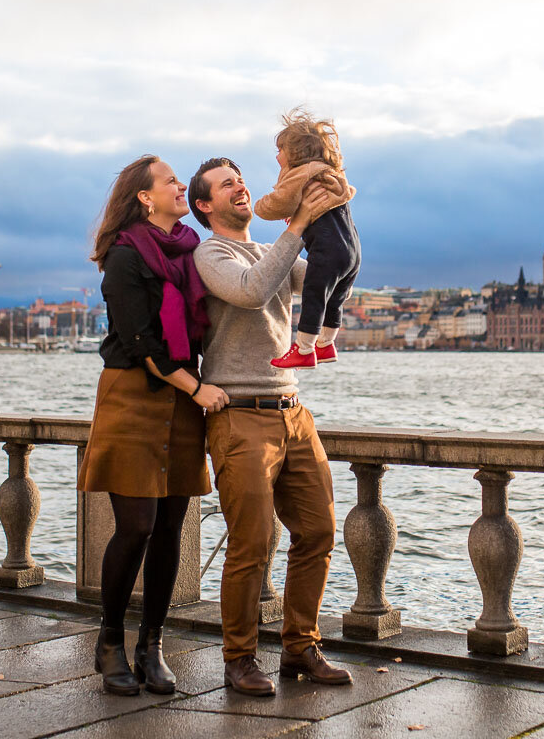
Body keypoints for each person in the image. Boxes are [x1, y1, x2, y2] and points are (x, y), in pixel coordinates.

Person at [188, 156, 353, 696]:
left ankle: (300, 648)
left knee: (319, 532)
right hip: (239, 416)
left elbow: (325, 275)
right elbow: (254, 290)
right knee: (252, 544)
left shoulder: (269, 250)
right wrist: (298, 227)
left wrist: (336, 216)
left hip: (292, 410)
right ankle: (239, 658)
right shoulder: (209, 253)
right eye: (225, 184)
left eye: (241, 179)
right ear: (204, 206)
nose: (240, 187)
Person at [78, 155, 229, 696]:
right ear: (145, 197)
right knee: (137, 525)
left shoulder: (191, 251)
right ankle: (111, 640)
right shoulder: (125, 258)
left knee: (170, 529)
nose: (179, 186)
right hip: (134, 397)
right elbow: (141, 343)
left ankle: (152, 644)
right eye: (170, 181)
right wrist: (198, 387)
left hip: (184, 398)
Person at [254, 108, 359, 369]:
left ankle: (304, 348)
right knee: (334, 298)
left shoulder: (302, 172)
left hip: (327, 248)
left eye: (280, 150)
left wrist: (260, 206)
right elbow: (349, 192)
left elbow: (279, 202)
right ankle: (325, 345)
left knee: (315, 295)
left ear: (295, 152)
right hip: (352, 250)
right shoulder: (332, 174)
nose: (277, 155)